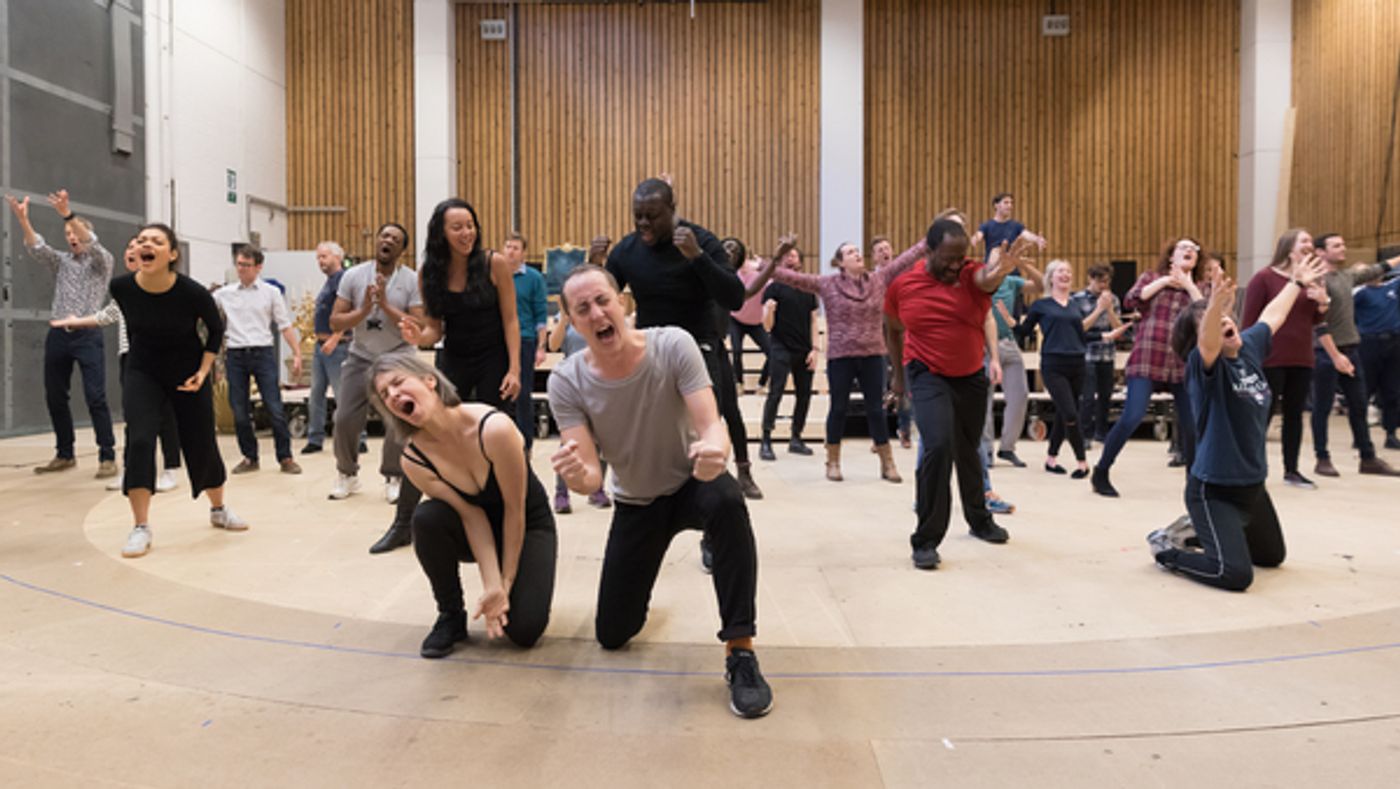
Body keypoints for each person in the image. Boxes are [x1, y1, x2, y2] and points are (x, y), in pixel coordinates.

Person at [548, 265, 772, 719]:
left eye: (603, 300)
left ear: (623, 303)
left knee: (727, 503)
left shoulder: (673, 345)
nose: (597, 313)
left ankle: (740, 651)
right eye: (583, 309)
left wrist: (716, 449)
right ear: (572, 322)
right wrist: (577, 479)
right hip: (636, 500)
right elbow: (591, 475)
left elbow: (711, 422)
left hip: (693, 479)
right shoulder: (566, 381)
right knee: (613, 634)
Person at [54, 224, 246, 557]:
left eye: (157, 242)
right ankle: (140, 526)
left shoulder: (192, 292)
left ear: (172, 254)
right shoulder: (122, 288)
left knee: (200, 440)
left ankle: (218, 508)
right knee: (140, 439)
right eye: (142, 241)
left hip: (188, 372)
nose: (146, 245)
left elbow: (215, 330)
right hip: (142, 370)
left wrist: (203, 372)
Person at [1146, 255, 1327, 591]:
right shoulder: (1204, 370)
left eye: (1228, 318)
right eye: (1216, 323)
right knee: (1233, 574)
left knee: (1272, 557)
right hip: (1214, 490)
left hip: (1252, 487)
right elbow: (1208, 344)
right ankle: (1168, 549)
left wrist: (1296, 283)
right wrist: (1212, 307)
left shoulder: (1249, 349)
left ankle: (1201, 530)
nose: (1226, 323)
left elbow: (1273, 316)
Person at [368, 354, 556, 657]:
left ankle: (523, 581)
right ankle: (450, 615)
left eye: (398, 383)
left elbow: (515, 510)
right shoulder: (414, 459)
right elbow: (472, 516)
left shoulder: (494, 428)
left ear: (429, 380)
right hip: (476, 530)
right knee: (427, 518)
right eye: (384, 394)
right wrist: (490, 583)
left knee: (524, 631)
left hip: (526, 522)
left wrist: (505, 584)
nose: (393, 396)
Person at [595, 178, 762, 500]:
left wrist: (698, 258)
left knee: (709, 430)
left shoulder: (700, 240)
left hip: (698, 348)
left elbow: (735, 297)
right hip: (649, 351)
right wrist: (594, 265)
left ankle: (719, 510)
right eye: (638, 215)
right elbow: (597, 298)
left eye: (652, 215)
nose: (643, 223)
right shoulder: (628, 250)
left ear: (673, 211)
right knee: (649, 433)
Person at [885, 219, 1033, 570]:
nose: (956, 264)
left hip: (969, 375)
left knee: (970, 449)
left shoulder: (971, 274)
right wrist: (897, 377)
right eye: (948, 257)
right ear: (929, 250)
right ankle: (925, 539)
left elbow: (987, 279)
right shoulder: (904, 285)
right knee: (938, 445)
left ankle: (979, 520)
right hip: (926, 372)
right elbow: (891, 328)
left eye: (961, 257)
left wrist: (1001, 270)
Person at [749, 234, 931, 484]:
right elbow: (793, 277)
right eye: (850, 252)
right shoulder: (827, 284)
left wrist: (926, 241)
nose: (857, 254)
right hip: (841, 357)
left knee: (876, 411)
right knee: (838, 409)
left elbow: (905, 260)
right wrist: (764, 265)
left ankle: (887, 462)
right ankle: (832, 461)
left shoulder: (879, 279)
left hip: (873, 356)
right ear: (840, 263)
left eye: (858, 251)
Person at [6, 191, 116, 477]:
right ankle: (65, 453)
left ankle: (107, 456)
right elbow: (38, 248)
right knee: (55, 395)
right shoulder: (63, 262)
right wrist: (23, 220)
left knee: (96, 397)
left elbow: (94, 245)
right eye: (67, 233)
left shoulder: (101, 262)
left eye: (76, 232)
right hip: (59, 334)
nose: (72, 237)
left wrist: (68, 214)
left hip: (88, 334)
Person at [1091, 238, 1207, 497]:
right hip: (1148, 358)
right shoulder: (1151, 278)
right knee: (1132, 416)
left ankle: (1195, 483)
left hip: (1182, 364)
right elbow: (1133, 299)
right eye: (1183, 247)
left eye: (1194, 250)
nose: (1190, 251)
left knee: (1191, 424)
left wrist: (1187, 284)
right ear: (1171, 257)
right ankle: (1101, 471)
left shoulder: (1200, 288)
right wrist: (1166, 281)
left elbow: (1206, 314)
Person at [326, 223, 423, 520]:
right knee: (344, 417)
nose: (387, 241)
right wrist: (366, 308)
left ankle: (393, 476)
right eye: (384, 236)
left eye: (395, 239)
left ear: (401, 250)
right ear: (376, 242)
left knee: (397, 418)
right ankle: (347, 473)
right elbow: (336, 321)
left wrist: (387, 307)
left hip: (397, 355)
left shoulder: (411, 280)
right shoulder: (354, 276)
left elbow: (417, 324)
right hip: (361, 354)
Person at [87, 238, 181, 493]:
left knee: (165, 416)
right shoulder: (124, 290)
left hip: (159, 356)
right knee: (133, 416)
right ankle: (132, 469)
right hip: (129, 357)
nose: (132, 251)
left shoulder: (161, 286)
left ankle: (171, 468)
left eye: (137, 248)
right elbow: (106, 316)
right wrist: (76, 321)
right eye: (128, 248)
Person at [1241, 229, 1330, 490]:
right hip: (1270, 357)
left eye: (1311, 243)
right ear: (1288, 247)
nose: (1310, 246)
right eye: (1304, 241)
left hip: (1301, 356)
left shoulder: (1313, 280)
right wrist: (1249, 356)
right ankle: (1251, 468)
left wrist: (1323, 304)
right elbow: (1250, 321)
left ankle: (1292, 470)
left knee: (1294, 415)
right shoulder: (1264, 278)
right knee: (1262, 414)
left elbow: (1314, 320)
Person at [1308, 235, 1399, 477]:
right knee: (1322, 407)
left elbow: (1377, 269)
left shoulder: (1346, 276)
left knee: (1358, 406)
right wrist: (1335, 355)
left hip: (1351, 349)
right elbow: (1319, 323)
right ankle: (1322, 457)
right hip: (1326, 352)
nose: (1343, 248)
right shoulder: (1317, 280)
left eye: (1343, 244)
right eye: (1336, 245)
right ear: (1320, 252)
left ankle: (1368, 458)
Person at [213, 245, 303, 475]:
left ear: (259, 267)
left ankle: (285, 457)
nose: (241, 269)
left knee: (274, 407)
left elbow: (284, 325)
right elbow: (205, 312)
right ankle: (249, 457)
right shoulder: (224, 294)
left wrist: (297, 353)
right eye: (239, 264)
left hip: (262, 353)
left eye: (246, 265)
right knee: (240, 411)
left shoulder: (271, 293)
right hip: (236, 354)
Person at [1017, 260, 1100, 478]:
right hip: (1053, 365)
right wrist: (1009, 321)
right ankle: (1082, 462)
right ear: (1051, 277)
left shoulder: (1074, 306)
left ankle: (1051, 459)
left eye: (1069, 272)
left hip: (1077, 363)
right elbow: (1024, 332)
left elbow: (1079, 334)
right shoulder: (1041, 306)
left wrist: (1104, 336)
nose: (1065, 275)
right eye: (1060, 271)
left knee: (1066, 413)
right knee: (1071, 413)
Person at [982, 248, 1046, 468]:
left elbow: (1041, 285)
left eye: (1003, 256)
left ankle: (1007, 448)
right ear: (987, 260)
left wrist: (1024, 265)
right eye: (995, 256)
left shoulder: (1011, 281)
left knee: (1020, 396)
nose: (999, 259)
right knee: (984, 401)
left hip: (1009, 344)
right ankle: (986, 450)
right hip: (983, 347)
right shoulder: (981, 279)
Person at [544, 314, 611, 513]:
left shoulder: (600, 314)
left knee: (602, 437)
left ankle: (597, 488)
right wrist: (564, 318)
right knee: (569, 441)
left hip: (601, 380)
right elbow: (553, 345)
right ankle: (561, 493)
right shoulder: (562, 318)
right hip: (572, 382)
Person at [757, 243, 819, 461]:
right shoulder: (773, 288)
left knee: (804, 395)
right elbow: (766, 326)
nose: (790, 258)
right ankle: (766, 440)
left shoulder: (808, 289)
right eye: (786, 256)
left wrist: (815, 349)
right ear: (781, 263)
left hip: (804, 349)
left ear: (800, 261)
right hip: (780, 346)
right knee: (776, 392)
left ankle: (796, 438)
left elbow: (813, 321)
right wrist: (769, 311)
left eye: (794, 255)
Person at [1073, 263, 1129, 444]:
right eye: (1099, 281)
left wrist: (1109, 309)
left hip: (1107, 353)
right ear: (1090, 279)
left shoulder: (1112, 299)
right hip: (1086, 353)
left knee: (1106, 395)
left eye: (1106, 281)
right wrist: (1098, 309)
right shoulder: (1077, 299)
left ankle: (1102, 432)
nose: (1103, 285)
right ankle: (1084, 435)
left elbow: (1119, 329)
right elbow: (1079, 328)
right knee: (1087, 396)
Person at [303, 241, 350, 454]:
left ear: (337, 257)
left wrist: (335, 337)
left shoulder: (343, 280)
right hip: (321, 348)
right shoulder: (329, 282)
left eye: (324, 257)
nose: (320, 261)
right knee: (316, 394)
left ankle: (356, 438)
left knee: (344, 395)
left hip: (337, 347)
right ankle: (315, 438)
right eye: (318, 258)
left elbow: (351, 312)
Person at [506, 232, 548, 455]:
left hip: (525, 339)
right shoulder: (496, 274)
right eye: (507, 246)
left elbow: (540, 314)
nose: (510, 251)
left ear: (523, 254)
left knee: (523, 393)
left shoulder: (533, 278)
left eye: (515, 248)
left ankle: (525, 445)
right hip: (500, 339)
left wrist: (541, 347)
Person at [1355, 267, 1400, 450]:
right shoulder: (1360, 293)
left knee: (1392, 391)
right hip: (1369, 343)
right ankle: (1360, 434)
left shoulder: (1393, 287)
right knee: (1364, 390)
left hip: (1394, 342)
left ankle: (1391, 433)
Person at [727, 246, 772, 393]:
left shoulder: (760, 275)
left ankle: (762, 384)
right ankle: (738, 383)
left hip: (755, 323)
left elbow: (773, 278)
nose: (744, 263)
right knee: (737, 350)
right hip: (736, 319)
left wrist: (762, 265)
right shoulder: (734, 273)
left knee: (772, 353)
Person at [970, 192, 1048, 259]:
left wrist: (1037, 239)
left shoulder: (1016, 226)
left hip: (1012, 270)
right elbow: (979, 235)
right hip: (992, 270)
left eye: (1011, 203)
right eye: (1006, 202)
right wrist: (975, 238)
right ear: (996, 205)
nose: (1010, 205)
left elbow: (1027, 235)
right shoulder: (986, 226)